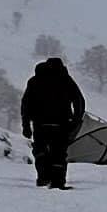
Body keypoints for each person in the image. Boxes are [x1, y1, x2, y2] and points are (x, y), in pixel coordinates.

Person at [21, 58, 85, 189]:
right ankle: (58, 182)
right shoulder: (66, 80)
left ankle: (43, 178)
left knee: (40, 151)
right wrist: (76, 120)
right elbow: (79, 100)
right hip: (62, 123)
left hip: (40, 124)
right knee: (59, 153)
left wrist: (26, 126)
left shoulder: (34, 81)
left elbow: (26, 105)